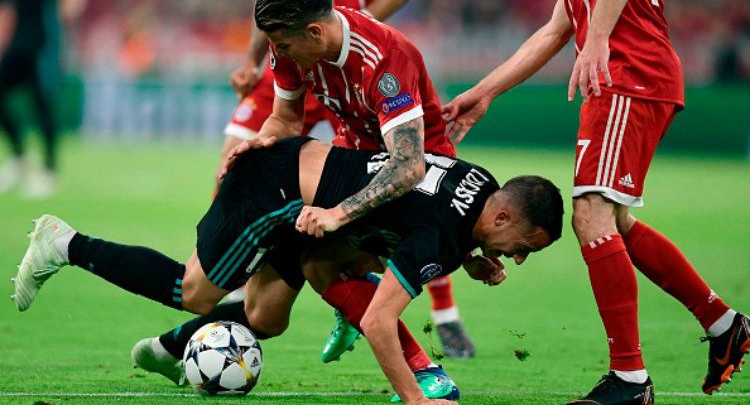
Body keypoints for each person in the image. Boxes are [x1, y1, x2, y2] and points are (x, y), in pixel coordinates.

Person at [12, 136, 564, 405]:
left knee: (266, 316)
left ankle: (169, 349)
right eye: (523, 246)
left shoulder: (481, 185)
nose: (516, 257)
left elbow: (418, 209)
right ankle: (65, 244)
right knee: (194, 291)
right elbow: (378, 320)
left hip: (316, 207)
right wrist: (416, 401)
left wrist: (469, 258)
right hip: (273, 193)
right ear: (505, 214)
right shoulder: (444, 231)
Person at [440, 0, 750, 404]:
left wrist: (599, 38)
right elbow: (554, 31)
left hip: (629, 73)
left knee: (591, 215)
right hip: (620, 75)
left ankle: (629, 376)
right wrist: (487, 90)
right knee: (614, 222)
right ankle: (723, 324)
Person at [220, 0, 475, 362]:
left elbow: (409, 164)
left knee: (391, 255)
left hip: (419, 164)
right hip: (353, 142)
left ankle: (432, 346)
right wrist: (260, 134)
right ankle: (356, 309)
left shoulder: (384, 57)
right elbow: (285, 119)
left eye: (280, 46)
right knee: (316, 254)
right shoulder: (289, 42)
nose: (279, 53)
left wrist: (338, 213)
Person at [0, 0, 88, 198]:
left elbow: (70, 1)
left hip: (44, 46)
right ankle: (19, 157)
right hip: (16, 45)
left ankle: (49, 169)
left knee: (43, 104)